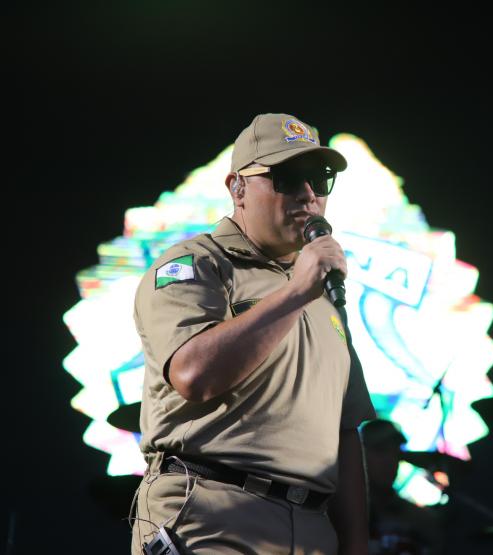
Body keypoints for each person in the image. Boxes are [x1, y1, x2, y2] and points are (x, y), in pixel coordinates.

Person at [131, 113, 376, 554]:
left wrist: (357, 544)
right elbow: (194, 374)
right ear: (237, 188)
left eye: (319, 180)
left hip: (313, 529)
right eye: (287, 178)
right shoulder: (196, 265)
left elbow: (344, 431)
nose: (308, 195)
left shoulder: (324, 297)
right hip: (212, 515)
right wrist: (298, 290)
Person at [360, 419, 445, 555]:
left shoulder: (421, 519)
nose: (389, 460)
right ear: (360, 455)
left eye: (395, 452)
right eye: (380, 450)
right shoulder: (340, 511)